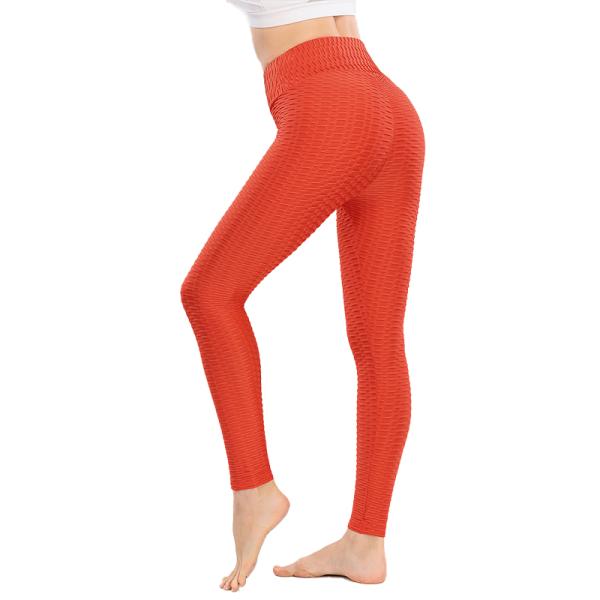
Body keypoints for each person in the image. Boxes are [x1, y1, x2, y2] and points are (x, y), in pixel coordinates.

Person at [180, 0, 426, 591]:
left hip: (332, 106)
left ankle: (254, 488)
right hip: (388, 104)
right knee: (379, 340)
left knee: (210, 293)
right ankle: (365, 544)